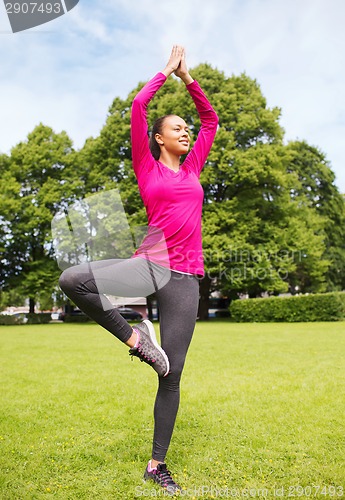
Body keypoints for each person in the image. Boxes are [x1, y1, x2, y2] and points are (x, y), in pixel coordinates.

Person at [58, 45, 218, 495]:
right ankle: (136, 339)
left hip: (186, 279)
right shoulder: (147, 168)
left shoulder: (193, 170)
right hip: (150, 265)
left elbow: (211, 121)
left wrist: (190, 80)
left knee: (173, 375)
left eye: (186, 129)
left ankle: (156, 465)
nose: (186, 132)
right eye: (177, 129)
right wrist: (167, 71)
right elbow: (138, 105)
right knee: (74, 280)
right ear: (160, 138)